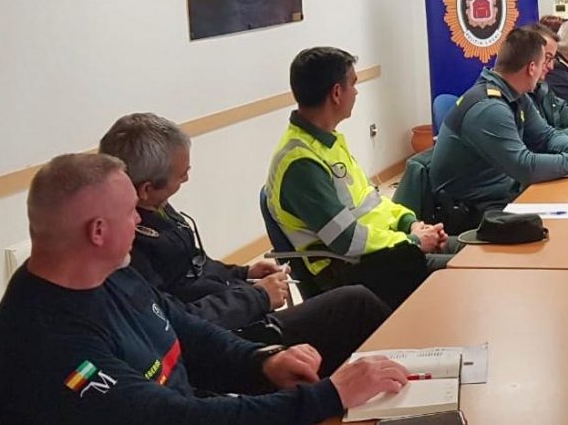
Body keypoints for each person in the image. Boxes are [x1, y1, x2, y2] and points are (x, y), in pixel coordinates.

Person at [0, 153, 410, 424]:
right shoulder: (47, 345)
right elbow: (175, 417)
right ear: (97, 231)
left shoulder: (113, 272)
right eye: (132, 212)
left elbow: (183, 330)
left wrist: (262, 362)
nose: (141, 222)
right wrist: (326, 396)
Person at [99, 113, 391, 374]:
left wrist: (244, 274)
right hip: (225, 342)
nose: (187, 176)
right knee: (356, 303)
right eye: (181, 174)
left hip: (239, 313)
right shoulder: (125, 252)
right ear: (147, 189)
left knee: (353, 309)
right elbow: (175, 321)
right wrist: (258, 297)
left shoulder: (158, 208)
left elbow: (198, 265)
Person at [266, 47, 453, 309]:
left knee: (473, 249)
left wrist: (410, 223)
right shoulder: (301, 163)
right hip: (353, 271)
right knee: (468, 268)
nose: (356, 92)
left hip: (383, 251)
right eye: (353, 84)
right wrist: (411, 242)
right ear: (336, 93)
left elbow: (372, 202)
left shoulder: (329, 143)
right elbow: (347, 240)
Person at [431, 28, 568, 234]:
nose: (549, 68)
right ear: (531, 67)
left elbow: (546, 137)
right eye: (545, 61)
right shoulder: (490, 108)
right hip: (475, 211)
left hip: (503, 194)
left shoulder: (515, 95)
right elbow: (525, 167)